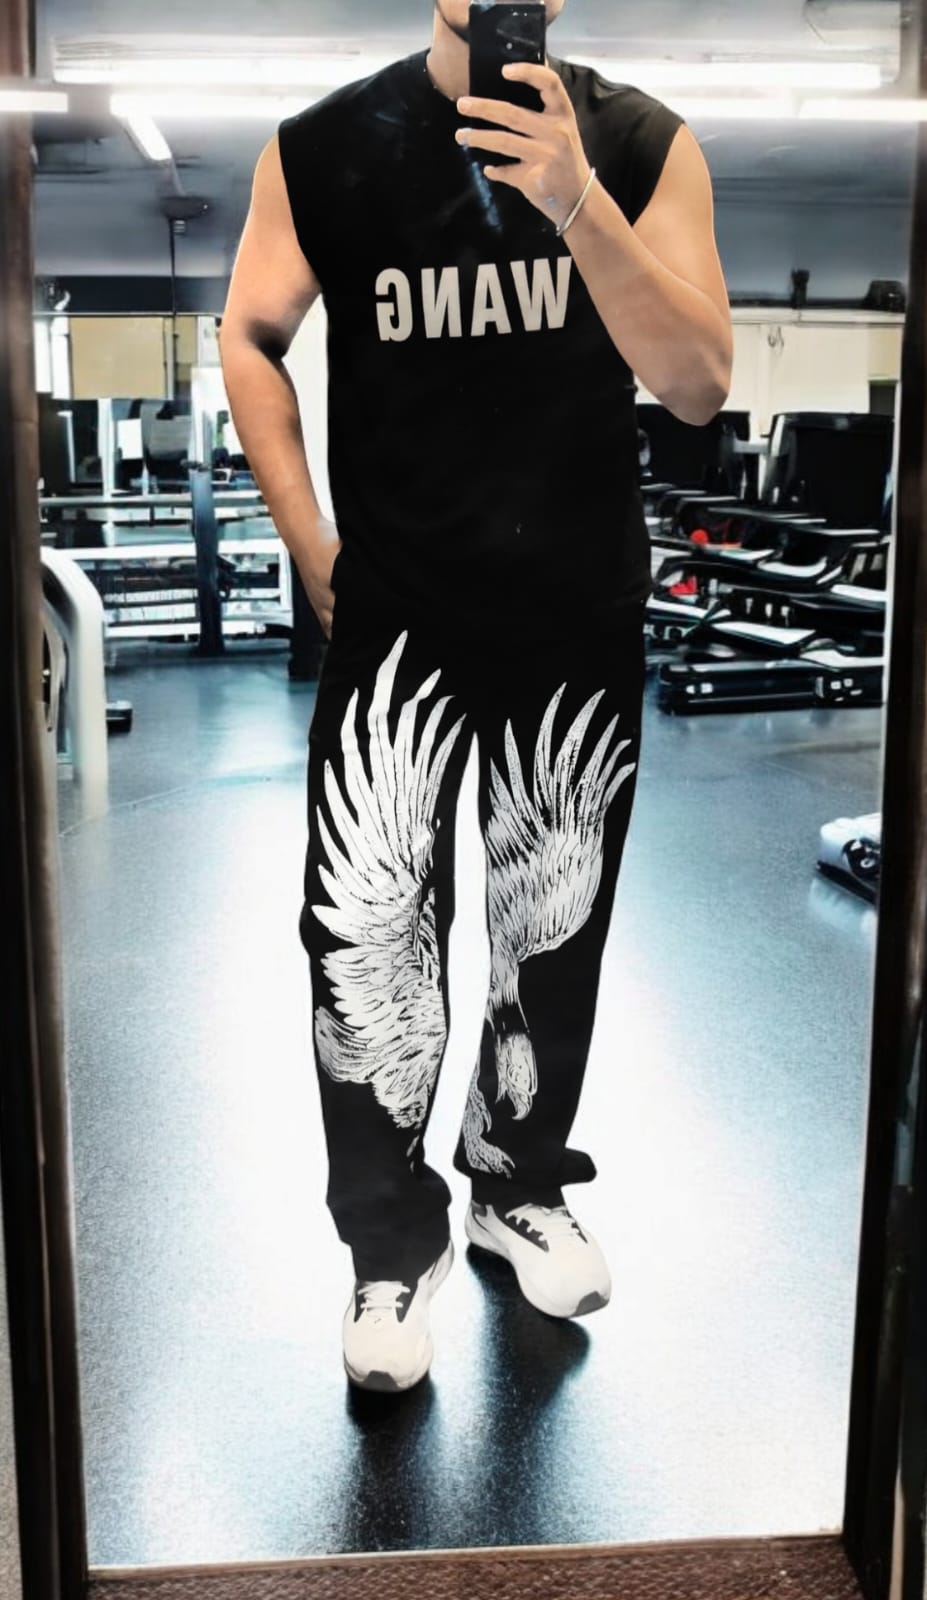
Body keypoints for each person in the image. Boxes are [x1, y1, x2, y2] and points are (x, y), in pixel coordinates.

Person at [220, 0, 732, 1393]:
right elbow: (250, 332)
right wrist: (309, 543)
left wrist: (574, 201)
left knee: (548, 929)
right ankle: (391, 1248)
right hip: (397, 608)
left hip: (572, 609)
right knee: (367, 932)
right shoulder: (325, 148)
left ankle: (515, 1185)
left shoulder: (641, 144)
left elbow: (696, 384)